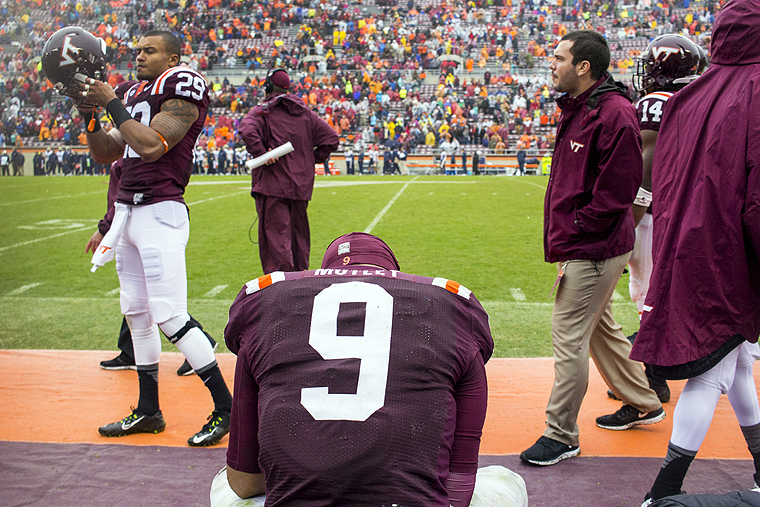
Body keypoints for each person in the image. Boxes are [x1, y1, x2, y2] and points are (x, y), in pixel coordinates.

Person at [214, 232, 496, 507]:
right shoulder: (454, 307)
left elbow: (243, 482)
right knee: (504, 479)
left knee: (224, 484)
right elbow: (458, 492)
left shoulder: (262, 301)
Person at [61, 29, 233, 446]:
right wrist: (89, 112)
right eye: (137, 48)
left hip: (160, 210)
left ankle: (227, 410)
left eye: (149, 50)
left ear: (172, 57)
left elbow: (153, 144)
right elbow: (106, 151)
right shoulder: (136, 91)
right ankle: (149, 410)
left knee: (170, 315)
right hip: (127, 214)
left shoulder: (182, 83)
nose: (138, 55)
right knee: (136, 313)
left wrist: (112, 103)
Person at [630, 1, 760, 503]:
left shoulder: (689, 97)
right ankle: (662, 491)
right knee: (713, 375)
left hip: (685, 241)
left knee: (738, 363)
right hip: (728, 251)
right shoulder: (750, 93)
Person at [520, 30, 665, 467]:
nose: (552, 63)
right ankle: (643, 399)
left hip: (594, 247)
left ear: (583, 67)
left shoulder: (613, 113)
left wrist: (579, 232)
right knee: (600, 328)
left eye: (560, 57)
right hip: (589, 242)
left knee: (569, 338)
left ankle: (561, 433)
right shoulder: (583, 107)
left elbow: (619, 190)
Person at [608, 34, 703, 405]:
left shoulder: (654, 103)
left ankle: (652, 379)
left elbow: (645, 171)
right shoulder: (693, 100)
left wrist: (627, 221)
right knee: (650, 291)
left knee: (646, 293)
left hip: (651, 214)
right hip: (680, 209)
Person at [239, 68, 339, 275]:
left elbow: (247, 129)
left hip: (273, 184)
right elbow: (331, 138)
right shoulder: (305, 113)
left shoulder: (263, 110)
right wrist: (310, 160)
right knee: (298, 238)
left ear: (267, 87)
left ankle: (282, 285)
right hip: (301, 185)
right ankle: (301, 280)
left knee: (276, 239)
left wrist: (261, 153)